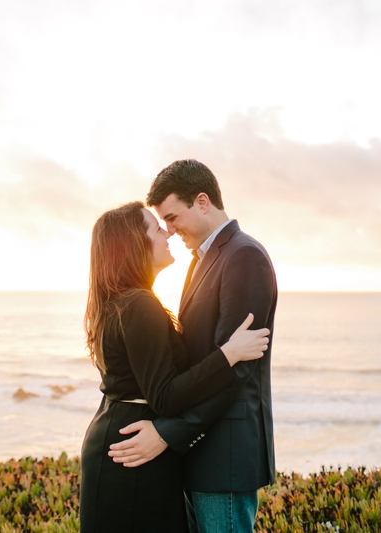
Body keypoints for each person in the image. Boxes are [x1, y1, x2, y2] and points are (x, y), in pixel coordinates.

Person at [107, 160, 278, 533]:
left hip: (224, 456)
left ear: (202, 202)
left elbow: (236, 371)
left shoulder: (243, 256)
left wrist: (167, 433)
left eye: (172, 217)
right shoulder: (202, 260)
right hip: (199, 452)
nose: (169, 230)